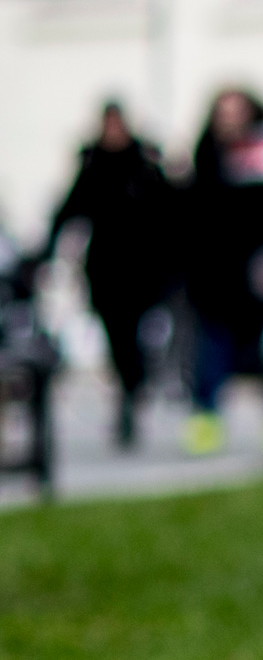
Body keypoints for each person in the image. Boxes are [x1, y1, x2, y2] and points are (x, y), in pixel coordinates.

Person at [44, 101, 176, 448]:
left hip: (143, 271)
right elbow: (70, 210)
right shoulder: (93, 166)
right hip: (105, 270)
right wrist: (46, 251)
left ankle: (134, 388)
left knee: (138, 338)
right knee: (117, 338)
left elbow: (169, 215)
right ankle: (129, 391)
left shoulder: (145, 165)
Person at [182, 89, 263, 455]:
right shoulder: (205, 159)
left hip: (261, 275)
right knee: (211, 352)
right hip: (215, 278)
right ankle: (206, 421)